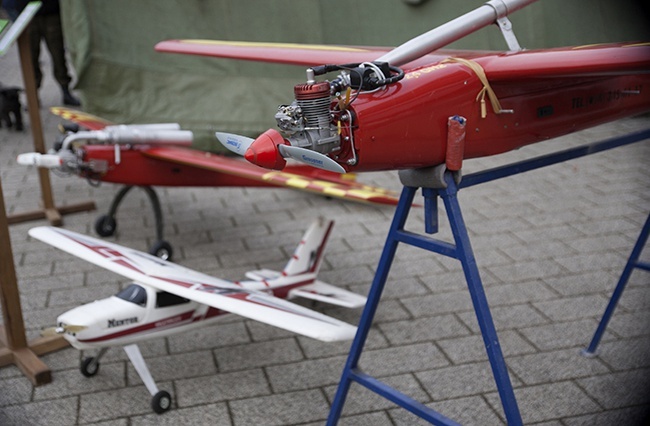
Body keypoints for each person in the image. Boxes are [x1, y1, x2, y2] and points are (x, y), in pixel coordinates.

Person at [1, 0, 80, 106]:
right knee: (30, 58)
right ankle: (33, 96)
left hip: (51, 12)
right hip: (27, 14)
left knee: (58, 56)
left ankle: (65, 90)